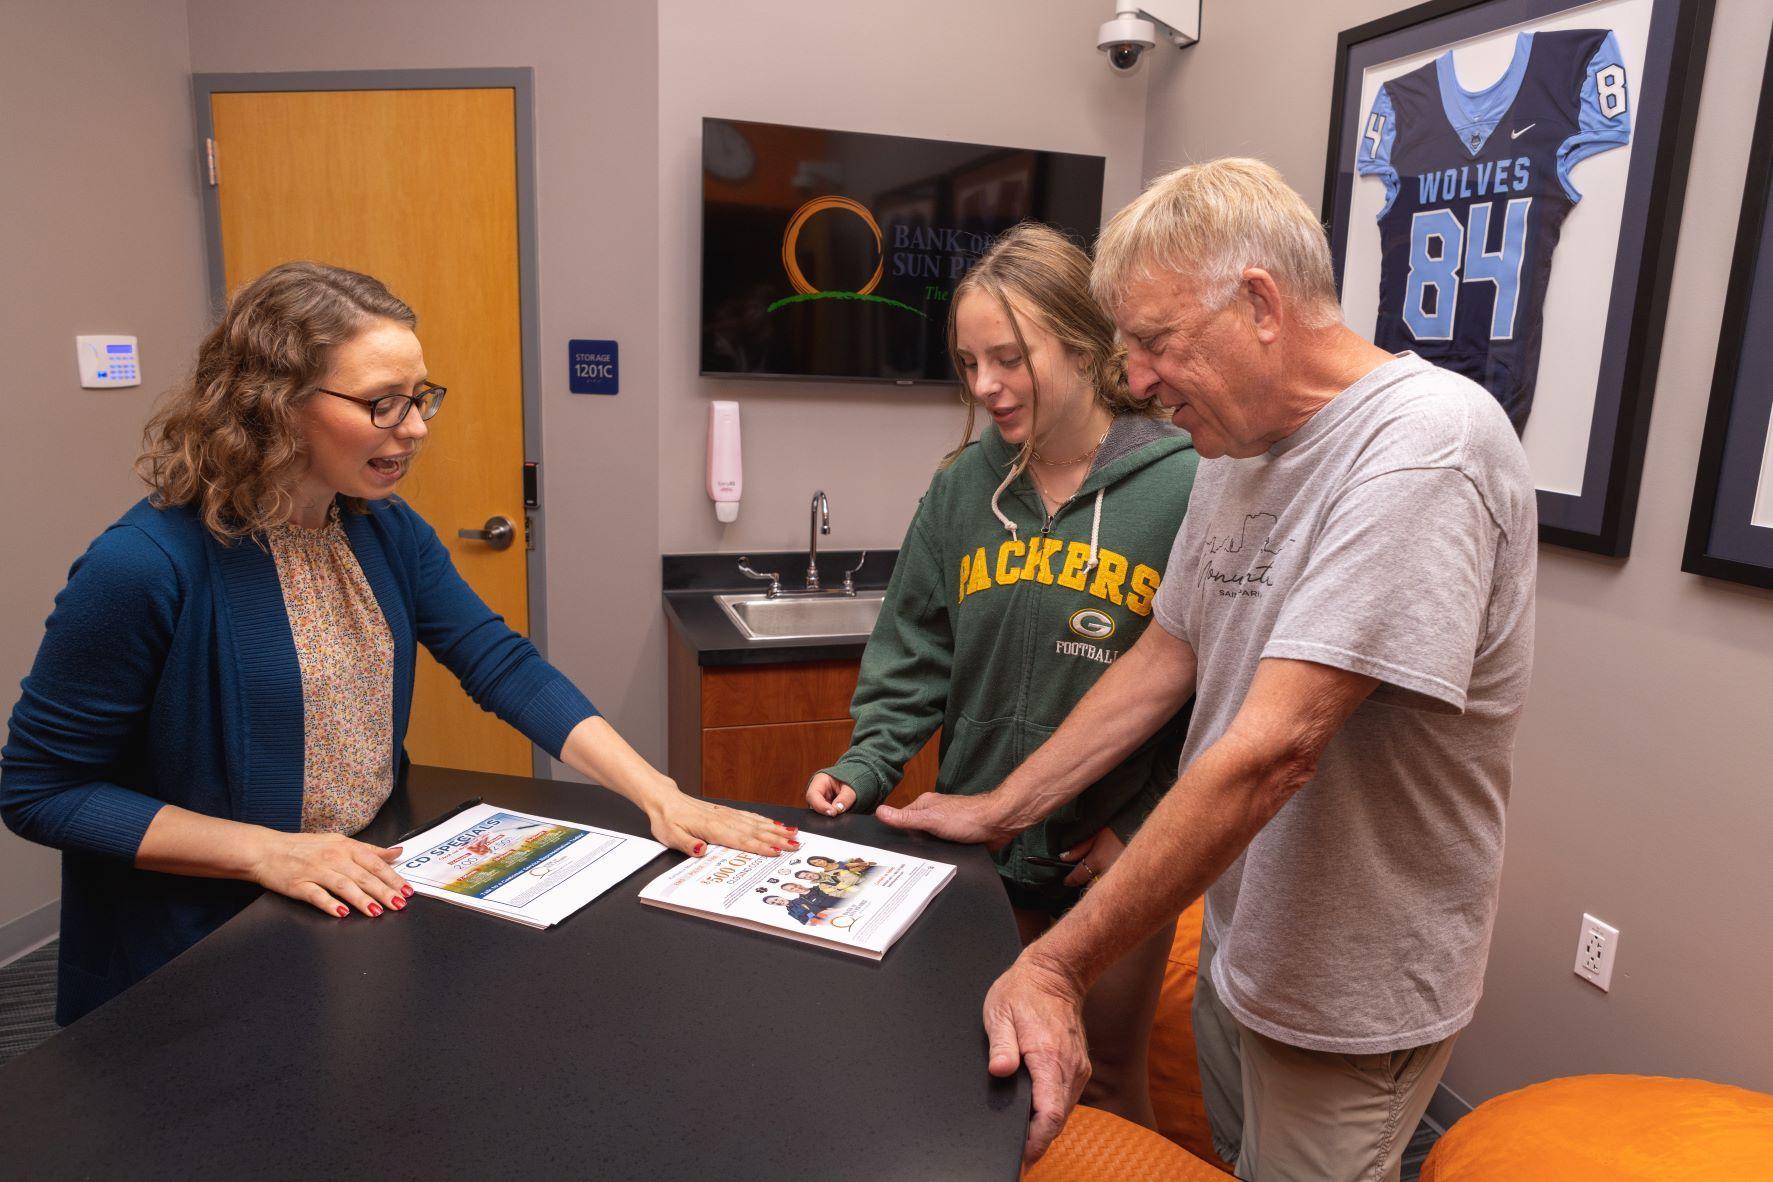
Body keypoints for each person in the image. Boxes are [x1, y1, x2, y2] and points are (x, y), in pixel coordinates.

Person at [882, 159, 1537, 1178]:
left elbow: (1273, 749)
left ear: (1261, 305)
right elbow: (1166, 654)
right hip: (1248, 942)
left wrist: (1055, 965)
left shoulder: (1425, 448)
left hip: (1351, 988)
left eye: (1154, 341)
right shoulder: (1236, 454)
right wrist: (1004, 806)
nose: (1135, 378)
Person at [0, 262, 793, 1026]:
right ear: (271, 404)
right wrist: (266, 852)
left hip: (352, 892)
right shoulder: (144, 564)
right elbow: (41, 791)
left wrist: (660, 796)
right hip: (197, 946)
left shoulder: (381, 528)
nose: (414, 428)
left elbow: (499, 661)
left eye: (420, 399)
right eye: (382, 403)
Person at [803, 222, 1198, 1128]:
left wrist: (1135, 829)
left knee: (1099, 1088)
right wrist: (864, 764)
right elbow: (913, 651)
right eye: (968, 362)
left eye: (1008, 359)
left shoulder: (1183, 489)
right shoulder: (959, 490)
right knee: (972, 1083)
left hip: (1102, 869)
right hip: (971, 853)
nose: (984, 387)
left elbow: (1207, 689)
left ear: (1081, 340)